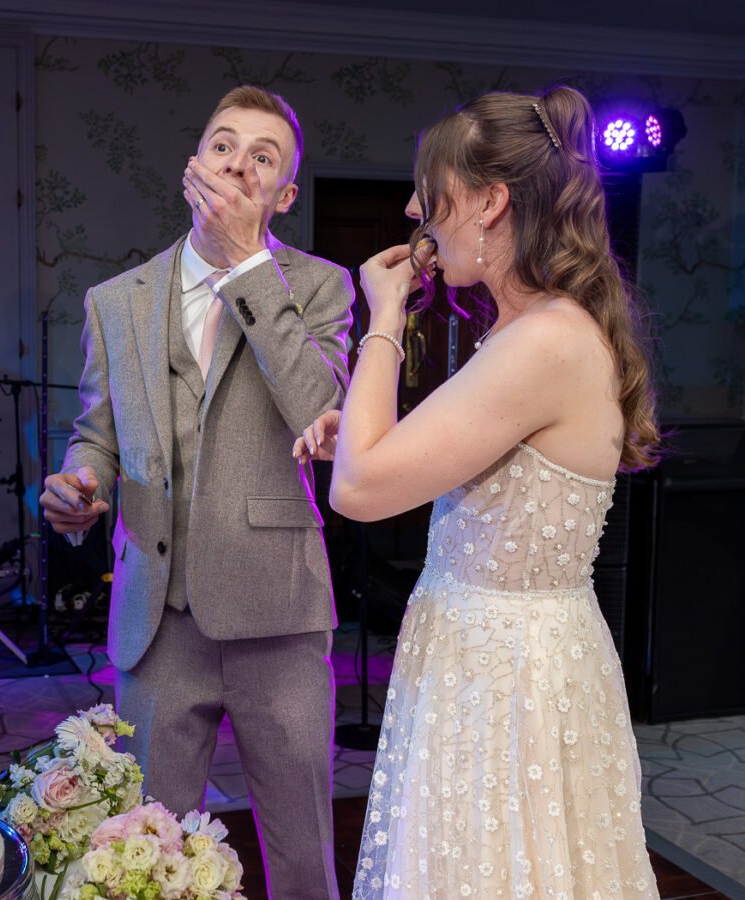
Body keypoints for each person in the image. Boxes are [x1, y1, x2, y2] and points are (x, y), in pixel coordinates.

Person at [296, 86, 661, 897]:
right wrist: (364, 435)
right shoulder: (528, 332)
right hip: (490, 659)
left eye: (432, 193)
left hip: (508, 679)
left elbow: (358, 490)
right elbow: (419, 459)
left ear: (491, 202)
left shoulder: (544, 341)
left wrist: (383, 314)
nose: (413, 210)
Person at [41, 86, 353, 899]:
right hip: (158, 616)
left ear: (284, 194)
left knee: (302, 852)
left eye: (262, 157)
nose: (238, 165)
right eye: (224, 145)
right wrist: (82, 481)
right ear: (193, 165)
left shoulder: (322, 287)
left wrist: (248, 264)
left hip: (278, 612)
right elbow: (97, 433)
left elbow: (320, 409)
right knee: (147, 849)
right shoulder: (116, 301)